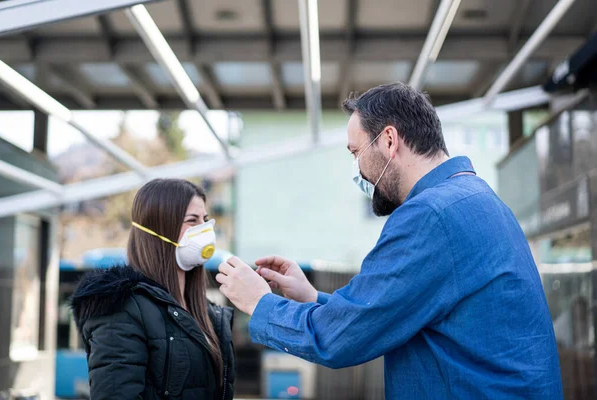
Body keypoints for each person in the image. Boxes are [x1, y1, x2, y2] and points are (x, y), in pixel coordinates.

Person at [216, 83, 563, 399]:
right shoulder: (477, 199)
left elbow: (339, 340)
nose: (358, 170)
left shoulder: (429, 216)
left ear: (389, 140)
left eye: (355, 153)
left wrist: (259, 303)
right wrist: (312, 299)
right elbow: (395, 311)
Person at [71, 179, 235, 400]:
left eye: (205, 220)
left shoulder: (207, 313)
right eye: (192, 220)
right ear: (159, 228)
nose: (205, 230)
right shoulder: (122, 309)